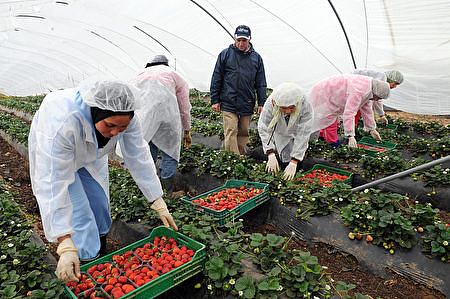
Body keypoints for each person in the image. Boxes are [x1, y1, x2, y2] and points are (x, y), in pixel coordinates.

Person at [28, 78, 178, 283]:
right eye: (110, 125)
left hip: (91, 156)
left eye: (122, 127)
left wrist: (157, 199)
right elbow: (53, 182)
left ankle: (100, 249)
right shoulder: (63, 123)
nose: (115, 132)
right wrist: (64, 241)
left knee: (99, 205)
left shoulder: (126, 117)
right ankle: (89, 265)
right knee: (80, 215)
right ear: (96, 113)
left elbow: (138, 155)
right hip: (59, 157)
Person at [134, 55, 192, 193]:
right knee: (170, 152)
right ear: (166, 64)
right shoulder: (173, 75)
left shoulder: (139, 75)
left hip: (145, 119)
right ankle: (167, 191)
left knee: (148, 152)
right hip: (168, 119)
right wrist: (187, 130)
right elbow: (184, 107)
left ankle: (149, 190)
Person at [210, 24, 267, 155]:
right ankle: (233, 160)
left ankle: (241, 157)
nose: (241, 43)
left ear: (250, 39)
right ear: (235, 39)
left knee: (244, 132)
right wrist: (215, 99)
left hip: (247, 101)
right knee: (231, 130)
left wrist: (262, 102)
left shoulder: (256, 58)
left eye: (244, 40)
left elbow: (261, 83)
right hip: (229, 100)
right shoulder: (225, 55)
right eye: (239, 40)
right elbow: (217, 77)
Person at [310, 74, 391, 148]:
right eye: (378, 98)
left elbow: (367, 110)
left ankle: (322, 138)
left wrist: (372, 129)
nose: (377, 100)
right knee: (330, 121)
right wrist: (350, 135)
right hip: (324, 93)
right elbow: (349, 113)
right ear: (376, 94)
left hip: (333, 94)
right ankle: (332, 144)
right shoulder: (359, 92)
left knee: (333, 121)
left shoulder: (369, 89)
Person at [258, 82, 313, 180]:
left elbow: (303, 133)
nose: (288, 111)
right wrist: (270, 153)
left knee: (297, 160)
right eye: (283, 108)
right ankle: (284, 174)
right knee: (284, 156)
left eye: (292, 107)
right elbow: (264, 127)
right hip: (281, 131)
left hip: (297, 130)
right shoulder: (271, 102)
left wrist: (295, 161)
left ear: (297, 102)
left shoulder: (305, 103)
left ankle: (296, 173)